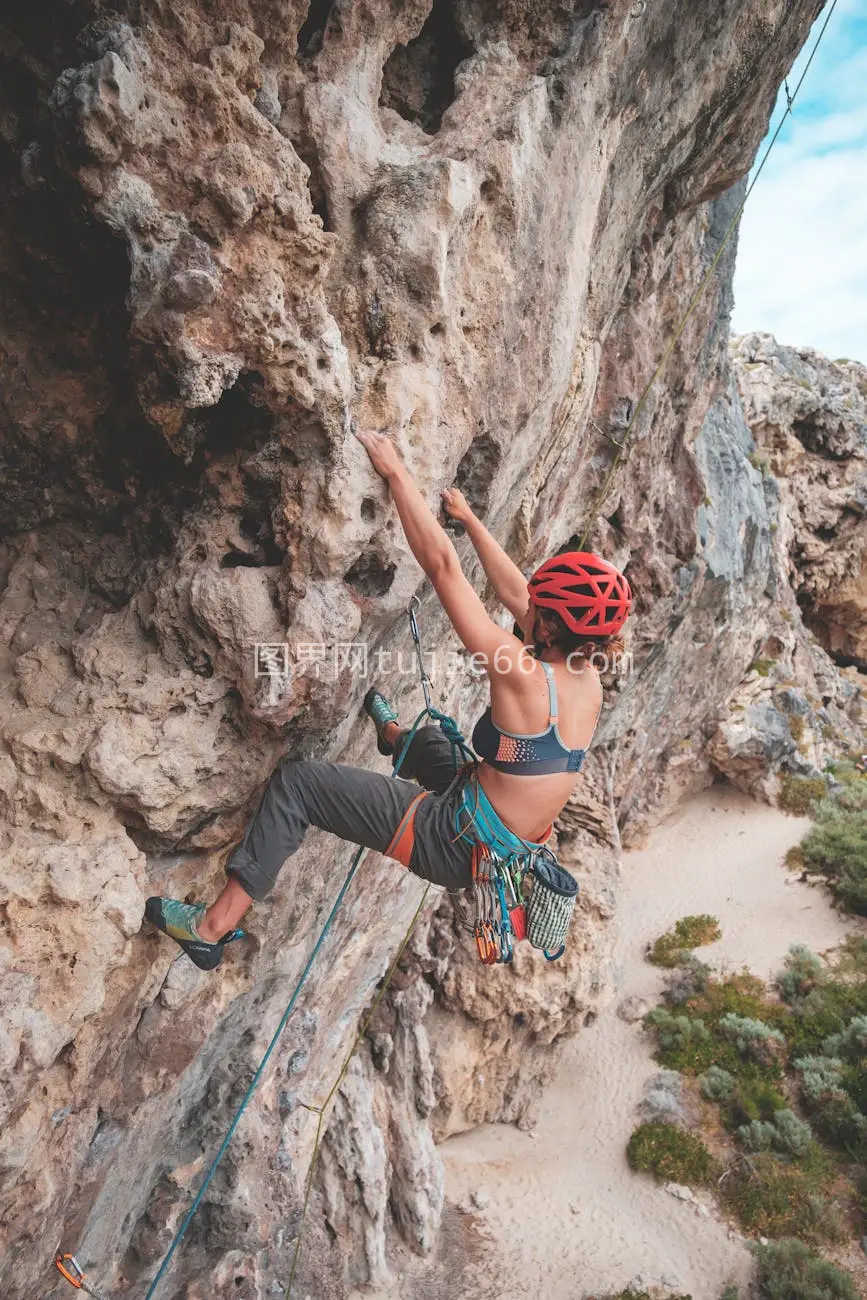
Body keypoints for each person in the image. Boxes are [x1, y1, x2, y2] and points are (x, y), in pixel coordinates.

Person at [145, 431, 632, 969]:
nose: (526, 604)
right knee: (432, 747)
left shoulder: (519, 673)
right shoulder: (587, 678)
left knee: (298, 786)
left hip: (450, 839)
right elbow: (520, 595)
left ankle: (211, 929)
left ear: (550, 625)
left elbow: (443, 568)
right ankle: (393, 736)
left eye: (538, 606)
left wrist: (396, 473)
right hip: (496, 828)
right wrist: (470, 520)